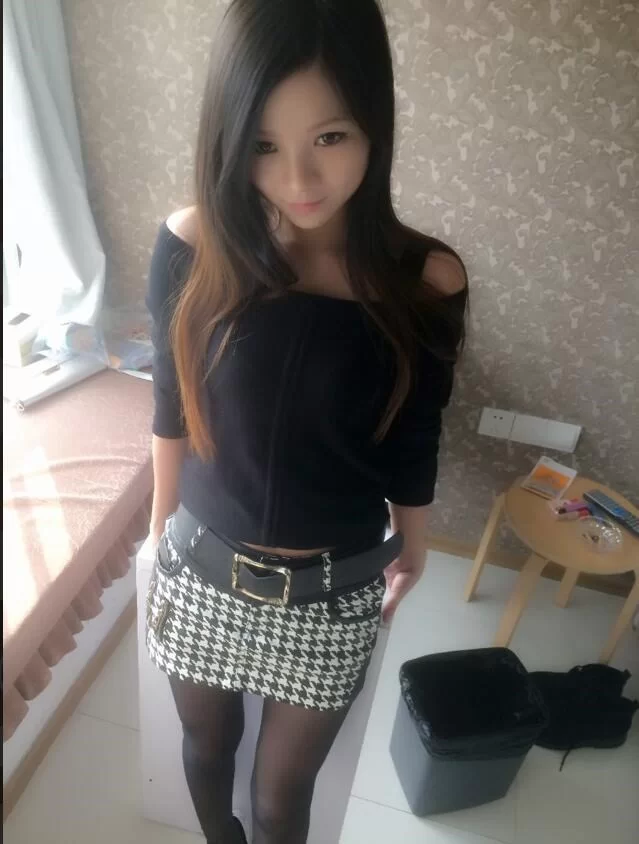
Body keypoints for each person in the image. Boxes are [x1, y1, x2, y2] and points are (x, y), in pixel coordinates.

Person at [144, 1, 469, 842]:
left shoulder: (423, 279)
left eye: (329, 136)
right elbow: (171, 403)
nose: (299, 179)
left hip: (332, 592)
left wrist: (414, 541)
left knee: (282, 801)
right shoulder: (191, 245)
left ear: (374, 124)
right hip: (199, 567)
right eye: (262, 145)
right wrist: (158, 530)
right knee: (203, 749)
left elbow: (416, 427)